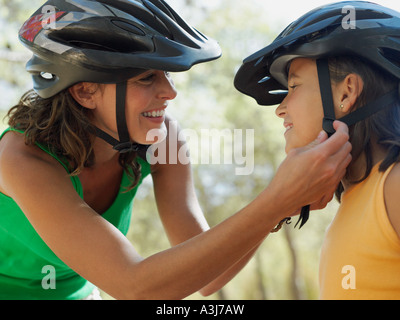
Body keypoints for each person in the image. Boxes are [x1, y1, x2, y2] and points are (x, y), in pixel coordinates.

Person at [0, 0, 351, 300]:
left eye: (167, 76)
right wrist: (278, 198)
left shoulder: (162, 139)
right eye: (147, 78)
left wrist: (285, 199)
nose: (170, 92)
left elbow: (211, 276)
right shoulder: (21, 159)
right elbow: (133, 285)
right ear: (86, 92)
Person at [234, 1, 400, 299]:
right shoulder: (356, 199)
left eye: (294, 87)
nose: (280, 109)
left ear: (347, 93)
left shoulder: (394, 186)